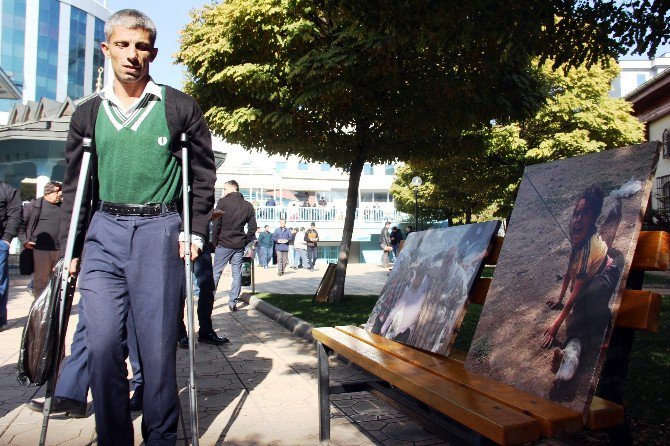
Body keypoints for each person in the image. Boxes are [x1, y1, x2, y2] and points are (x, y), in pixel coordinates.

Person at [60, 9, 216, 445]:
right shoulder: (88, 114)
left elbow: (202, 177)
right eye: (123, 45)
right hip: (103, 229)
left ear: (153, 53)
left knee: (157, 347)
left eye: (142, 46)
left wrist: (195, 230)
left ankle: (162, 437)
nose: (133, 55)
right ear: (106, 49)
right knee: (103, 342)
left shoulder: (179, 106)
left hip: (160, 229)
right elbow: (76, 187)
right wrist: (71, 250)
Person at [541, 186, 620, 383]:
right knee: (579, 309)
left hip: (606, 274)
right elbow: (569, 272)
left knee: (589, 298)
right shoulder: (577, 240)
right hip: (588, 278)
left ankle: (599, 335)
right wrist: (559, 298)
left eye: (585, 214)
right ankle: (571, 353)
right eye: (576, 213)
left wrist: (555, 325)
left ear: (593, 218)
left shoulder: (588, 248)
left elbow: (575, 293)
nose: (578, 219)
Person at [179, 208, 229, 346]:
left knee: (207, 288)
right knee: (179, 289)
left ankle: (206, 330)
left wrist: (207, 215)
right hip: (178, 237)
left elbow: (201, 202)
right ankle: (179, 333)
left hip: (200, 238)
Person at [211, 180, 257, 312]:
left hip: (223, 243)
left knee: (216, 272)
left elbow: (216, 225)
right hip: (239, 245)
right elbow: (253, 228)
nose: (223, 192)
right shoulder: (248, 206)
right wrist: (245, 241)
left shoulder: (222, 203)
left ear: (231, 188)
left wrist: (215, 243)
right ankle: (232, 303)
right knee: (237, 273)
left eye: (224, 189)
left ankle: (209, 300)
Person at [19, 181, 63, 297]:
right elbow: (21, 225)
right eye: (57, 191)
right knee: (41, 282)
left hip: (60, 250)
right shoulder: (33, 206)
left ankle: (54, 310)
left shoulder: (64, 207)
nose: (59, 194)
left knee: (58, 282)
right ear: (47, 193)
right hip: (40, 250)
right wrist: (25, 241)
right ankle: (40, 308)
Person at [0, 181, 21, 331]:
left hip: (0, 242)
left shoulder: (6, 190)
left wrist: (7, 239)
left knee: (0, 283)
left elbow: (16, 214)